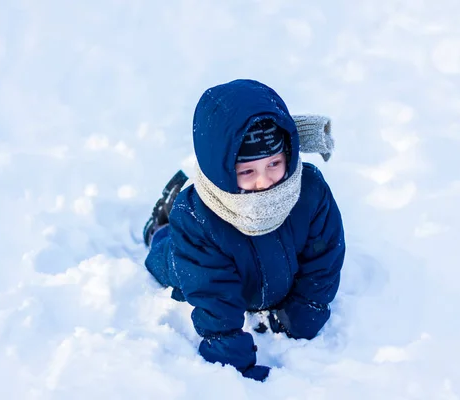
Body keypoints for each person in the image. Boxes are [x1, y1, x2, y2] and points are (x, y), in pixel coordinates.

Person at [143, 79, 345, 382]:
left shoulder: (309, 190)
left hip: (272, 276)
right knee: (165, 259)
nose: (265, 182)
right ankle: (162, 222)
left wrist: (304, 313)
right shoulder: (198, 218)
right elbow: (213, 294)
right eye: (248, 171)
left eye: (274, 163)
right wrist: (232, 364)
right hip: (195, 261)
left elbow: (323, 259)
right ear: (223, 171)